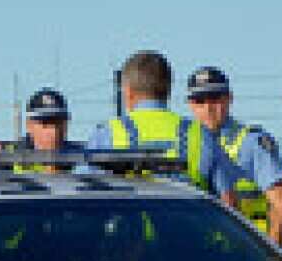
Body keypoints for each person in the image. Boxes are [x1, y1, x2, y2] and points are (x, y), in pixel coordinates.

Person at [87, 50, 241, 206]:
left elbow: (84, 195)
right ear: (168, 90)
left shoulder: (106, 135)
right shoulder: (200, 134)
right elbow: (228, 201)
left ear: (128, 92)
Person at [185, 66, 282, 245]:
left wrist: (268, 255)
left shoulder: (252, 143)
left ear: (229, 99)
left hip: (249, 251)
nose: (208, 108)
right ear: (190, 104)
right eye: (199, 101)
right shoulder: (186, 144)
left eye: (215, 99)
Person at [11, 88, 83, 173]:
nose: (53, 131)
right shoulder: (10, 158)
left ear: (66, 125)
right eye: (45, 124)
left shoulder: (81, 159)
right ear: (29, 125)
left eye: (58, 123)